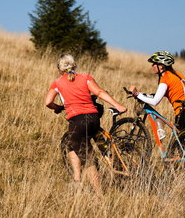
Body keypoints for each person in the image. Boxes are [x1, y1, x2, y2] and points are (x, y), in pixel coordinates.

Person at [45, 54, 127, 197]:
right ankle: (77, 180)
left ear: (60, 69)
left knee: (88, 160)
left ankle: (101, 197)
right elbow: (100, 92)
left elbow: (47, 102)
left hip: (77, 122)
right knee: (72, 144)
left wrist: (57, 107)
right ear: (74, 65)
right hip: (94, 118)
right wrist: (117, 105)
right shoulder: (86, 77)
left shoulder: (57, 83)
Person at [129, 51, 185, 131]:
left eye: (154, 63)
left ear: (161, 66)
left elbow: (155, 101)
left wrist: (136, 94)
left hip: (184, 114)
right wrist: (143, 95)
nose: (152, 66)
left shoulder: (165, 78)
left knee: (178, 143)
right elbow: (163, 94)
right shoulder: (178, 75)